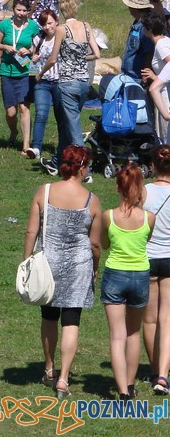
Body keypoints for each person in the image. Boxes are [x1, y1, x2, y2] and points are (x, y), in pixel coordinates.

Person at [22, 145, 102, 399]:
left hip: (48, 264)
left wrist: (26, 262)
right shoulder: (92, 200)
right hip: (79, 265)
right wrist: (95, 267)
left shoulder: (44, 192)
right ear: (81, 167)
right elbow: (95, 244)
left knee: (48, 317)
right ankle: (64, 379)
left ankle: (48, 368)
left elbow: (31, 231)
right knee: (71, 321)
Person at [102, 163, 155, 400]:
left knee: (117, 336)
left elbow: (103, 244)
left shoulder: (108, 216)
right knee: (134, 333)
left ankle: (122, 390)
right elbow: (146, 240)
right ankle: (131, 384)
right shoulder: (148, 218)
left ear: (118, 187)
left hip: (115, 273)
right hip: (141, 275)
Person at [40, 0, 101, 176]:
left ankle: (84, 171)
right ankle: (57, 161)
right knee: (69, 122)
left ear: (62, 10)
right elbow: (96, 54)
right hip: (84, 82)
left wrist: (41, 74)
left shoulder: (62, 29)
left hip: (68, 82)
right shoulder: (86, 26)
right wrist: (81, 57)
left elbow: (52, 58)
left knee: (74, 130)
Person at [0, 0, 39, 156]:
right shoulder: (5, 25)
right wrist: (5, 46)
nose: (21, 13)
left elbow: (39, 47)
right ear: (13, 9)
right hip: (7, 70)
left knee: (24, 107)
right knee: (11, 112)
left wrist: (30, 50)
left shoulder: (33, 26)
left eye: (24, 10)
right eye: (18, 10)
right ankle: (13, 131)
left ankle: (26, 145)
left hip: (26, 70)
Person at [144, 146, 170, 394]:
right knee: (167, 319)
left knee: (150, 319)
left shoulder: (144, 192)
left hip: (148, 257)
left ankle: (153, 371)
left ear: (153, 166)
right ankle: (163, 374)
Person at [30, 9, 62, 162]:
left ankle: (63, 147)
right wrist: (33, 61)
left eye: (50, 23)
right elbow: (32, 61)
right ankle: (36, 148)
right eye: (44, 24)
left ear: (56, 21)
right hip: (42, 82)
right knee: (41, 114)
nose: (47, 27)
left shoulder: (62, 37)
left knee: (61, 116)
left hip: (60, 82)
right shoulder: (38, 39)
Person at [142, 12, 170, 142]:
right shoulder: (166, 40)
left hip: (164, 94)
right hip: (164, 89)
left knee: (164, 134)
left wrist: (155, 78)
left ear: (150, 29)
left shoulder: (160, 45)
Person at [121, 0, 155, 81]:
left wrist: (145, 76)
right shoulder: (136, 23)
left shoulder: (145, 27)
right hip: (129, 74)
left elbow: (149, 53)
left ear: (134, 8)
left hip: (137, 76)